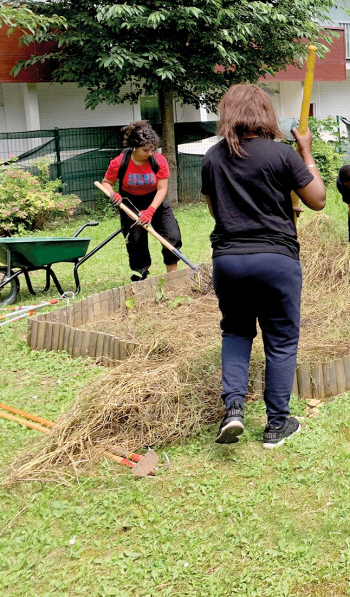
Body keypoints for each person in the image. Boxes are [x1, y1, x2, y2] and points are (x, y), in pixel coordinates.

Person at [201, 84, 326, 449]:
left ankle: (234, 410)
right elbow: (317, 199)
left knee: (236, 333)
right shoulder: (282, 155)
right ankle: (275, 425)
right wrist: (306, 154)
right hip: (276, 260)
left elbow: (216, 211)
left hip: (228, 262)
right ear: (265, 116)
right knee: (281, 341)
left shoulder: (212, 158)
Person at [99, 120, 182, 282]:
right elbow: (106, 183)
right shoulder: (119, 162)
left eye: (152, 149)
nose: (150, 153)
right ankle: (140, 278)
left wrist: (151, 210)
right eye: (145, 150)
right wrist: (112, 194)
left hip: (155, 201)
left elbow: (162, 189)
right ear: (135, 147)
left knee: (172, 236)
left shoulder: (158, 161)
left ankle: (173, 279)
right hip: (130, 202)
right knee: (136, 241)